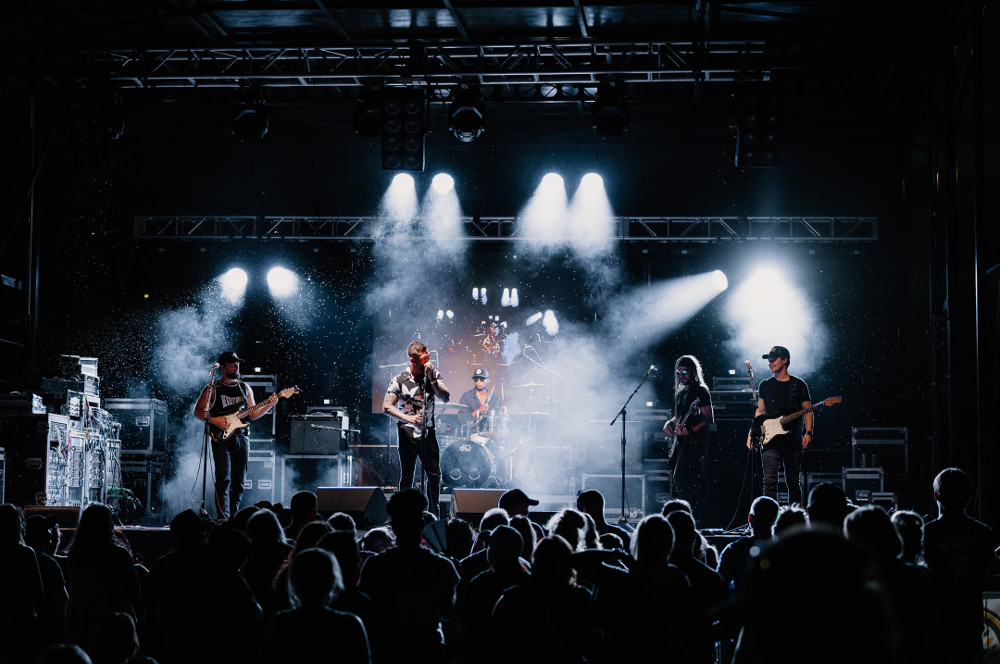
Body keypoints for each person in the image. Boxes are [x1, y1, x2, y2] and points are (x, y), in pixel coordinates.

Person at [194, 351, 275, 521]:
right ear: (222, 368)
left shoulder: (245, 388)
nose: (236, 366)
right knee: (224, 478)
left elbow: (252, 414)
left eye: (237, 364)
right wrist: (215, 421)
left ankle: (234, 518)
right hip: (221, 438)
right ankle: (223, 518)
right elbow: (198, 411)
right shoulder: (212, 388)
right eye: (232, 364)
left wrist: (269, 405)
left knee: (239, 481)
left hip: (242, 437)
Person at [383, 340, 451, 517]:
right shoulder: (400, 379)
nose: (428, 361)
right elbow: (386, 407)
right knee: (407, 474)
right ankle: (403, 513)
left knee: (434, 474)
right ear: (413, 360)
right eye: (423, 359)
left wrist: (433, 381)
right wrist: (409, 418)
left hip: (428, 431)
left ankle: (434, 512)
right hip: (407, 430)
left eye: (428, 357)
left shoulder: (433, 374)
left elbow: (445, 398)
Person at [746, 345, 812, 505]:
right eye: (768, 360)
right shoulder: (765, 385)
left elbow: (808, 410)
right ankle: (768, 520)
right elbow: (760, 412)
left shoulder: (799, 384)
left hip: (792, 440)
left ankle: (794, 519)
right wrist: (751, 433)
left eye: (773, 359)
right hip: (769, 439)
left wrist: (808, 432)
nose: (770, 363)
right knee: (769, 482)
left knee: (793, 482)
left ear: (784, 360)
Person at [662, 355, 714, 518]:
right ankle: (703, 517)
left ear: (693, 372)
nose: (681, 375)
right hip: (683, 442)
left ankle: (689, 516)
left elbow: (708, 418)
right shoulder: (681, 394)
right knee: (694, 479)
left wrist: (690, 430)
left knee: (680, 478)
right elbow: (678, 416)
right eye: (678, 372)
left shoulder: (700, 391)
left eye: (685, 371)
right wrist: (668, 423)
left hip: (696, 441)